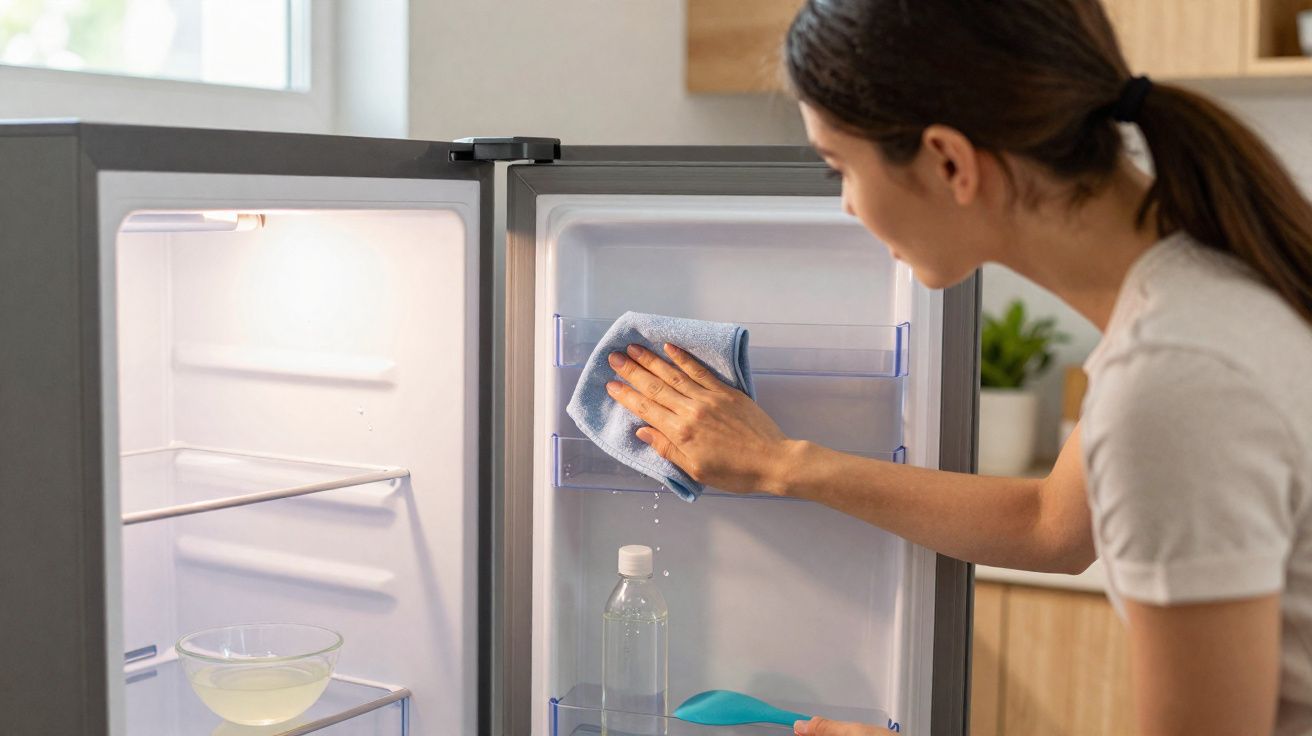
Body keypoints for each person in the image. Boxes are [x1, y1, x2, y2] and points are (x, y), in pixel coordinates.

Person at [601, 1, 1312, 734]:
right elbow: (1051, 527)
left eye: (840, 167)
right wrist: (780, 463)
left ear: (949, 162)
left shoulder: (1173, 384)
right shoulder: (1204, 289)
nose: (846, 206)